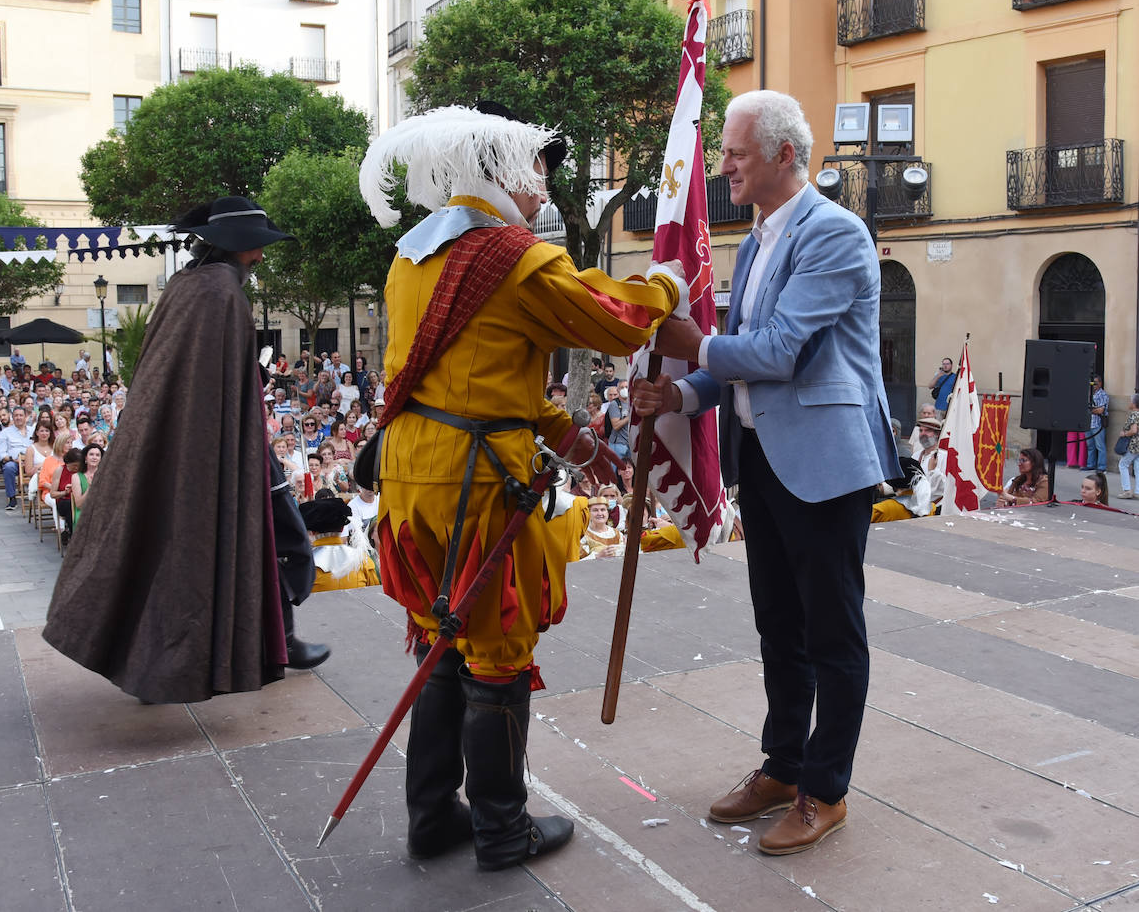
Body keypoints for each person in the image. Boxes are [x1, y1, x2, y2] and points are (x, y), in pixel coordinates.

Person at [359, 101, 680, 870]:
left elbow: (480, 375)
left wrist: (568, 434)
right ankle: (503, 829)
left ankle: (433, 816)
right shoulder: (514, 255)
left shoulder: (411, 256)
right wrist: (666, 283)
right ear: (502, 171)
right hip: (476, 484)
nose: (542, 190)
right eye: (537, 170)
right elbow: (616, 320)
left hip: (415, 475)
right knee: (496, 649)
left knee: (440, 642)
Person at [632, 90, 899, 856]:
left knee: (832, 634)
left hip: (826, 469)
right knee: (778, 628)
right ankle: (783, 768)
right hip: (770, 465)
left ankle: (826, 790)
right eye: (721, 151)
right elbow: (741, 359)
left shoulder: (837, 236)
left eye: (736, 153)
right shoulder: (756, 241)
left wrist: (692, 339)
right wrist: (680, 390)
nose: (723, 167)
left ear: (785, 154)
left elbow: (777, 351)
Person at [42, 196, 327, 705]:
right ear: (241, 247)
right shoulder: (220, 295)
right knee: (260, 538)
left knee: (246, 540)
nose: (261, 257)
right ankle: (189, 658)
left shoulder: (188, 285)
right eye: (257, 247)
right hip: (215, 448)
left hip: (218, 441)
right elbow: (206, 384)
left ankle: (272, 643)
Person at [299, 496, 379, 592]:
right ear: (342, 529)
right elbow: (375, 596)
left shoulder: (302, 567)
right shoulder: (363, 561)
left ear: (312, 532)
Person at [1117, 394, 1139, 500]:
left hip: (1134, 444)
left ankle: (1127, 490)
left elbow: (1134, 430)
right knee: (1138, 466)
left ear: (1134, 404)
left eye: (1131, 401)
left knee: (1123, 464)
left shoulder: (1134, 414)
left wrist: (1124, 434)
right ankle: (1138, 491)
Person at [1085, 375, 1109, 471]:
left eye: (1095, 383)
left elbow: (1100, 410)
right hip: (1088, 423)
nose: (1094, 385)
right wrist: (1092, 410)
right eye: (1092, 383)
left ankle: (1102, 467)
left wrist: (1089, 410)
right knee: (1090, 446)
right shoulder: (1089, 394)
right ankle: (1090, 465)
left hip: (1097, 424)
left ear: (1100, 383)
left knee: (1100, 446)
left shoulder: (1103, 394)